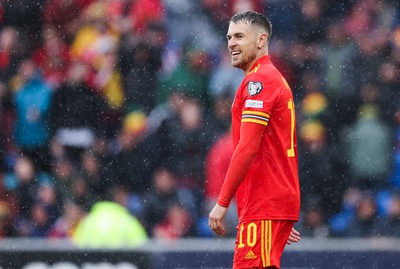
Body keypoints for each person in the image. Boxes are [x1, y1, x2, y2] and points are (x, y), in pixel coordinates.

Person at [208, 11, 301, 269]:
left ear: (261, 40)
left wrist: (223, 202)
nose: (231, 43)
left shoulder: (260, 81)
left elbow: (247, 148)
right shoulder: (267, 77)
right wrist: (277, 215)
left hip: (264, 202)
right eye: (229, 37)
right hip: (267, 205)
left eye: (239, 36)